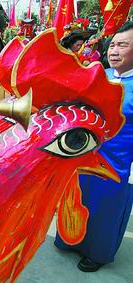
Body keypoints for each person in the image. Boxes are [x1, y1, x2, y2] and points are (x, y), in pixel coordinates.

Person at [55, 21, 133, 272]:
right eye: (113, 45)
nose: (114, 51)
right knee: (79, 199)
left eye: (123, 45)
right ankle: (69, 239)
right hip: (84, 153)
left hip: (117, 162)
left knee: (106, 208)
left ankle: (98, 253)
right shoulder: (101, 75)